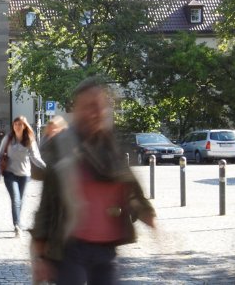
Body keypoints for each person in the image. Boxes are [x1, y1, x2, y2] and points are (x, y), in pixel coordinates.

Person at [31, 80, 156, 285]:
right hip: (70, 249)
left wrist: (149, 217)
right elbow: (47, 205)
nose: (96, 111)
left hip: (107, 250)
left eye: (101, 105)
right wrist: (39, 256)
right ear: (77, 109)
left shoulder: (110, 146)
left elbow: (130, 190)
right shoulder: (63, 146)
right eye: (90, 106)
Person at [0, 116, 45, 237]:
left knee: (20, 199)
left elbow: (35, 157)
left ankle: (18, 221)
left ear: (24, 126)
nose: (17, 126)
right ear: (13, 126)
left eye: (20, 124)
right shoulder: (8, 139)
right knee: (16, 198)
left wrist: (46, 167)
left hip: (24, 174)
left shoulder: (29, 139)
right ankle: (17, 225)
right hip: (9, 173)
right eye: (15, 124)